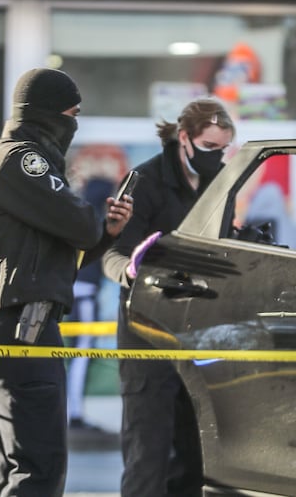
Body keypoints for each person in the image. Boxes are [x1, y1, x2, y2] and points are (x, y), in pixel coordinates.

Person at [0, 68, 132, 497]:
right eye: (70, 115)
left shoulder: (16, 161)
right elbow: (76, 223)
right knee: (38, 465)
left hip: (15, 321)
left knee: (9, 464)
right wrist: (93, 224)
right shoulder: (21, 157)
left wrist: (105, 234)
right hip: (19, 325)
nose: (74, 126)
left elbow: (64, 256)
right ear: (46, 115)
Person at [102, 97, 236, 497]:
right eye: (210, 148)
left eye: (223, 149)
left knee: (196, 460)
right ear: (184, 138)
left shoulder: (224, 183)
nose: (217, 157)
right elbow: (110, 252)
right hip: (147, 336)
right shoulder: (143, 183)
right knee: (148, 457)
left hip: (200, 335)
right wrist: (131, 273)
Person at [67, 176, 115, 430]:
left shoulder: (79, 216)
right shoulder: (95, 220)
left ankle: (73, 411)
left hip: (75, 290)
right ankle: (73, 412)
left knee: (77, 353)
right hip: (84, 294)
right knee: (81, 353)